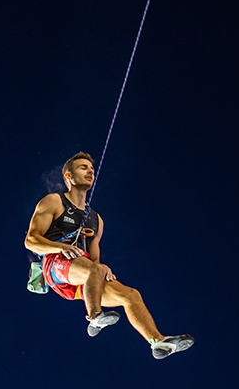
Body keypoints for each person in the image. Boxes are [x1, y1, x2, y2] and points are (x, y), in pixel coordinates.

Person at [24, 152, 194, 360]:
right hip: (55, 264)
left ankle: (157, 341)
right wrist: (59, 248)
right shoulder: (55, 201)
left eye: (91, 169)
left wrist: (103, 270)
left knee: (131, 295)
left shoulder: (96, 220)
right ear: (68, 176)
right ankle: (94, 316)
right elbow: (31, 240)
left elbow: (94, 261)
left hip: (83, 276)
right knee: (94, 269)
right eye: (83, 167)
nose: (89, 171)